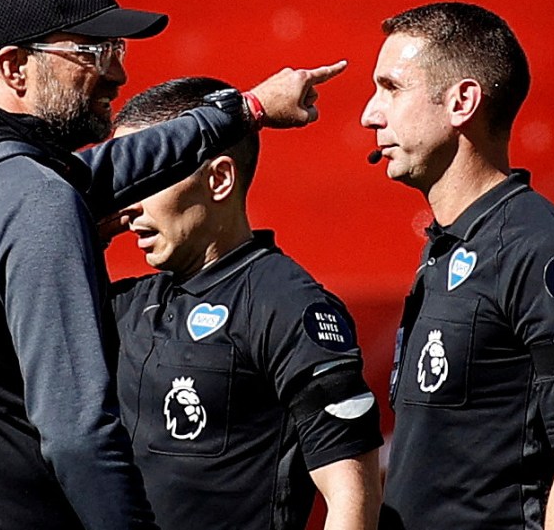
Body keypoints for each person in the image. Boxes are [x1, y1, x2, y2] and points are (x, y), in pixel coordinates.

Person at [0, 0, 344, 530]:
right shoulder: (32, 197)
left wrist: (247, 109)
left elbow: (105, 170)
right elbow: (77, 434)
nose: (116, 76)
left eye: (117, 52)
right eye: (91, 53)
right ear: (15, 68)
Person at [360, 2, 554, 529]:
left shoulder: (540, 249)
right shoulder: (451, 243)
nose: (370, 113)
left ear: (462, 101)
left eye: (391, 88)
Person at [108, 77, 383, 530]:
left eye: (146, 178)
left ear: (218, 179)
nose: (128, 204)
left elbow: (352, 498)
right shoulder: (128, 304)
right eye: (121, 180)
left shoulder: (287, 305)